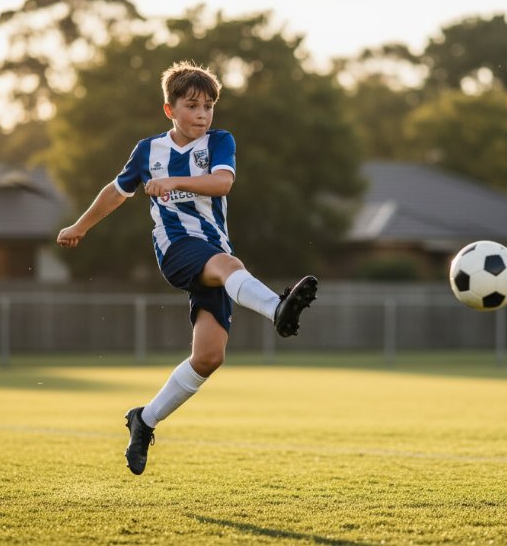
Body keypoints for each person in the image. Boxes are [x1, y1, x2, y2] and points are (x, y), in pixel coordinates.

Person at [56, 61, 318, 475]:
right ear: (170, 110)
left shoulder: (219, 141)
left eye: (209, 106)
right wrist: (80, 226)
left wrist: (175, 183)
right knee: (230, 265)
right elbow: (116, 191)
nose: (202, 114)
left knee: (209, 356)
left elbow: (222, 183)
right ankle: (276, 310)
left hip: (215, 257)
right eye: (193, 105)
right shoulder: (148, 150)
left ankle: (144, 420)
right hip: (176, 249)